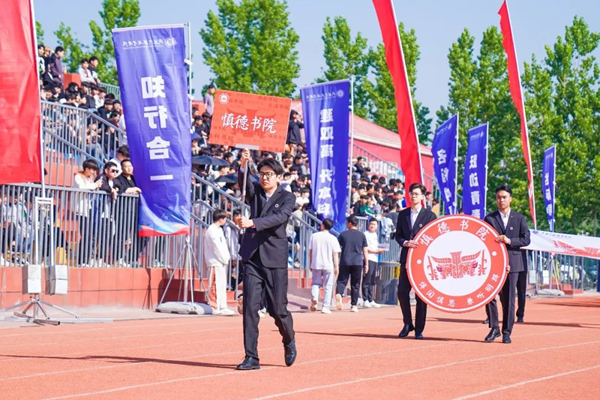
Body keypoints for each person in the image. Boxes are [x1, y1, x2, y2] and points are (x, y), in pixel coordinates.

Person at [234, 148, 297, 370]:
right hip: (253, 258)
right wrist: (243, 164)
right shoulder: (256, 193)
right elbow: (244, 184)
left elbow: (280, 217)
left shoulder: (287, 197)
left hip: (274, 259)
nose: (265, 177)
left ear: (279, 177)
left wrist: (253, 223)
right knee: (250, 308)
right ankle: (251, 357)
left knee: (277, 310)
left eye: (269, 174)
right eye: (262, 174)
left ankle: (289, 340)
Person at [484, 184, 531, 344]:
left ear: (510, 199)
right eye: (498, 197)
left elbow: (526, 239)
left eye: (504, 197)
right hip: (494, 264)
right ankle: (494, 327)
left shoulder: (519, 218)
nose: (501, 200)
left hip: (513, 263)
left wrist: (509, 240)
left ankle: (506, 331)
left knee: (509, 300)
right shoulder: (489, 219)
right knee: (489, 296)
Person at [395, 183, 436, 339]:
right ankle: (407, 323)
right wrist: (405, 242)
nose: (413, 196)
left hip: (422, 260)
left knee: (421, 295)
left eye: (417, 194)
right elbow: (398, 235)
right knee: (402, 291)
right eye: (412, 194)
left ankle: (419, 329)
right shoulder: (403, 214)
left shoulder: (429, 216)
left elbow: (434, 237)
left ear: (423, 196)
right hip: (406, 257)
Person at [335, 215, 369, 313]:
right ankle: (354, 305)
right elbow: (365, 250)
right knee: (355, 284)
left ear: (350, 223)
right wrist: (366, 264)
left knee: (342, 280)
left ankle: (339, 293)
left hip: (345, 260)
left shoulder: (343, 234)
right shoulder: (362, 235)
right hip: (357, 262)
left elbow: (337, 248)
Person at [205, 209, 235, 316]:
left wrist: (226, 258)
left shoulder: (219, 230)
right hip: (215, 261)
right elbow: (216, 247)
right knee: (215, 284)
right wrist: (224, 258)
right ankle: (214, 306)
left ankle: (223, 306)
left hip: (221, 261)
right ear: (220, 219)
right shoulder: (212, 230)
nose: (226, 220)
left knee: (222, 285)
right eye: (225, 218)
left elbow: (223, 246)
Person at [308, 218, 341, 314]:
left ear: (322, 225)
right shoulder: (333, 238)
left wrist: (310, 263)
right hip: (328, 264)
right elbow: (335, 254)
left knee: (315, 283)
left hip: (316, 263)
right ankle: (325, 307)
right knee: (328, 286)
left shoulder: (314, 236)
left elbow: (311, 251)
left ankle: (314, 298)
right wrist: (336, 266)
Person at [363, 219, 384, 308]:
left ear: (377, 226)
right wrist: (375, 251)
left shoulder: (375, 234)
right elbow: (365, 248)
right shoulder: (365, 234)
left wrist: (380, 250)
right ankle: (365, 300)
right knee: (367, 279)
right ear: (368, 225)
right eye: (371, 224)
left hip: (375, 259)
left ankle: (370, 299)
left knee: (372, 280)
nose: (372, 226)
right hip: (368, 258)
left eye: (374, 224)